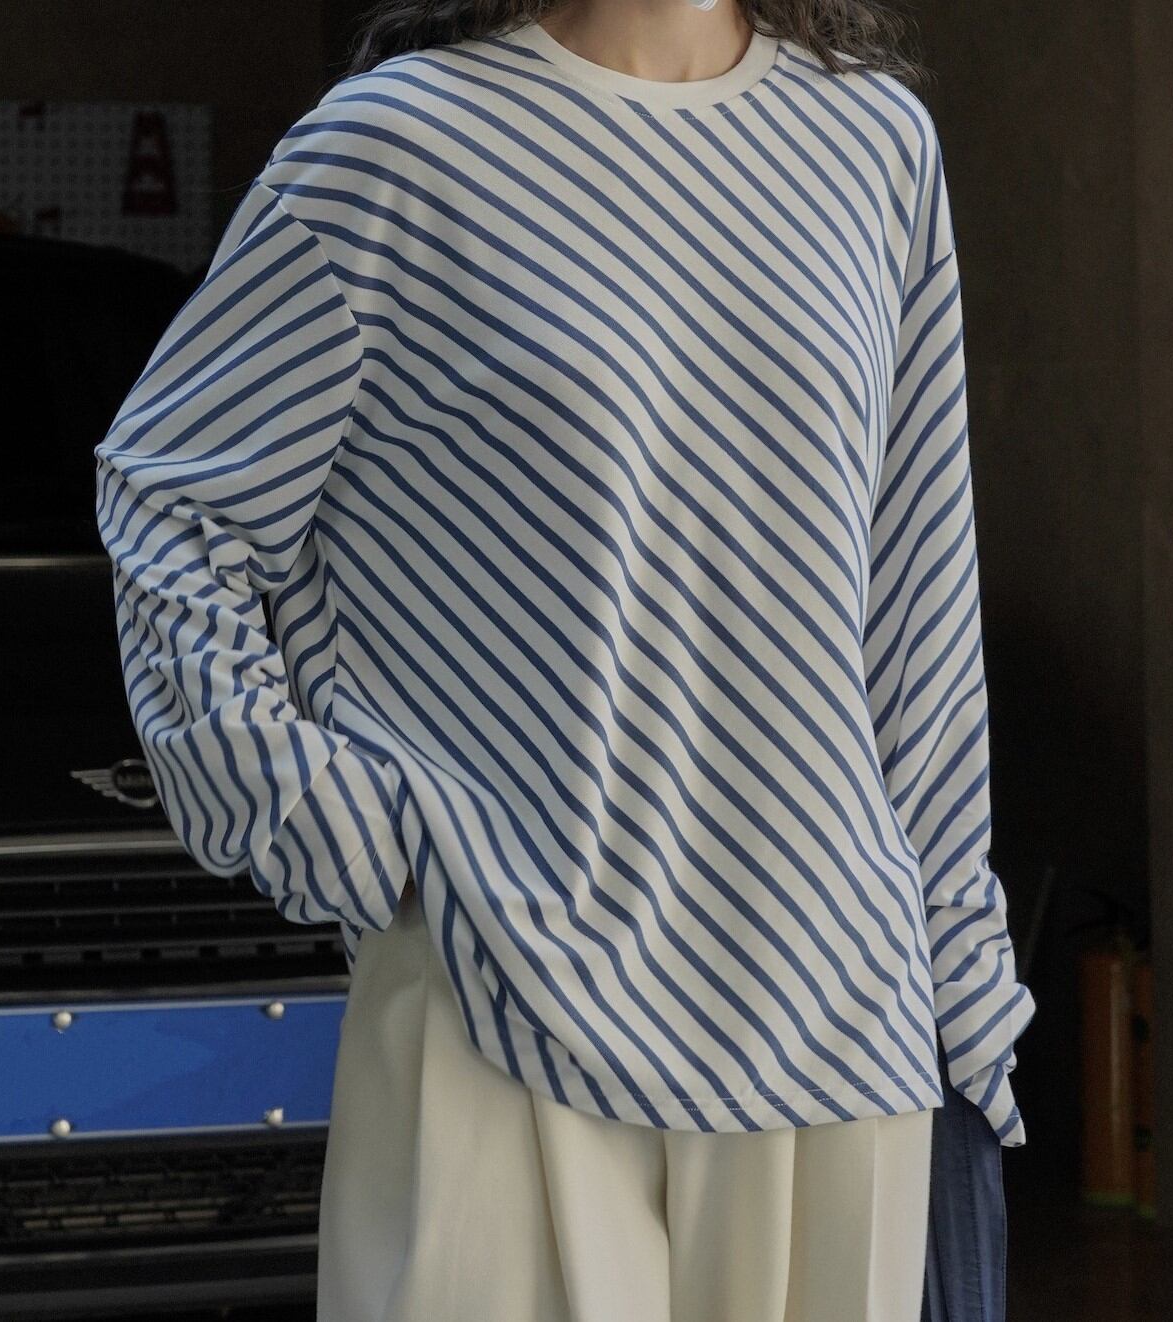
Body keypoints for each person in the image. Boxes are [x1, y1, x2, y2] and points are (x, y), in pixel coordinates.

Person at [92, 0, 1038, 1317]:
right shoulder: (396, 148)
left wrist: (964, 994)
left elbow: (920, 608)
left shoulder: (875, 145)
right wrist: (318, 814)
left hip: (837, 1025)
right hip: (500, 999)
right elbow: (172, 501)